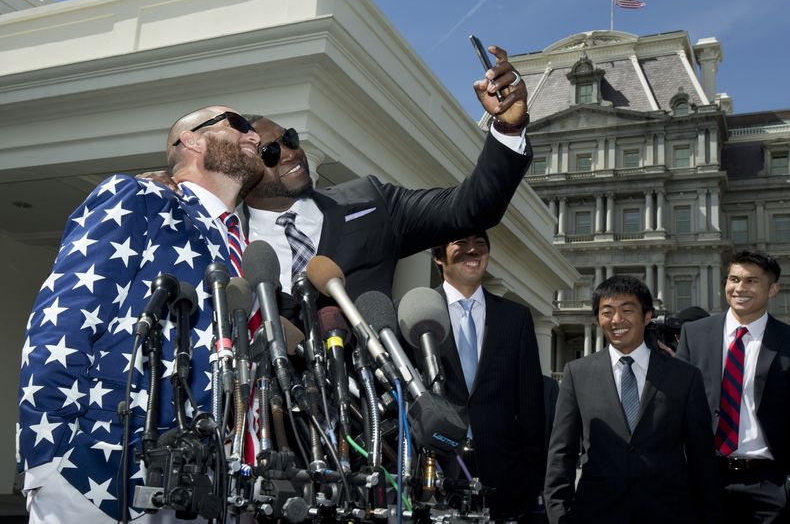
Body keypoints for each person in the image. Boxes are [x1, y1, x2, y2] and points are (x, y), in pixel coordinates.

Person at [17, 106, 263, 522]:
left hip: (204, 482)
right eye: (238, 125)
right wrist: (49, 456)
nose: (255, 136)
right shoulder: (138, 197)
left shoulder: (246, 245)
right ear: (191, 140)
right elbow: (64, 322)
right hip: (103, 472)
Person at [146, 45, 532, 300]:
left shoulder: (371, 201)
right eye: (270, 150)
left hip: (366, 416)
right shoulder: (225, 236)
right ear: (247, 169)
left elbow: (471, 208)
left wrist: (508, 130)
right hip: (262, 416)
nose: (292, 153)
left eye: (291, 138)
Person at [544, 276, 720, 524]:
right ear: (598, 318)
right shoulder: (577, 373)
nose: (616, 320)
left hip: (668, 513)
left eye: (627, 310)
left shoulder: (684, 376)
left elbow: (701, 456)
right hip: (595, 512)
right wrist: (558, 515)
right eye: (607, 312)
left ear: (647, 316)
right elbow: (561, 452)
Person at [431, 232, 545, 521]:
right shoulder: (415, 312)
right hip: (435, 472)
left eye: (481, 244)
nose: (473, 250)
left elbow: (531, 407)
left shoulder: (516, 318)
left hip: (504, 480)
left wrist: (531, 480)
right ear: (438, 257)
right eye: (460, 243)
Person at [676, 250, 790, 523]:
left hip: (770, 483)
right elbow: (675, 405)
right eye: (734, 279)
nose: (740, 288)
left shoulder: (786, 339)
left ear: (772, 289)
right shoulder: (695, 335)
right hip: (705, 477)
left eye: (751, 281)